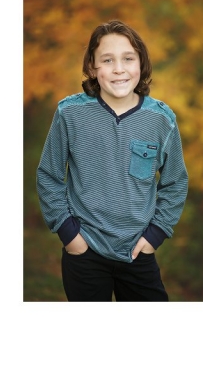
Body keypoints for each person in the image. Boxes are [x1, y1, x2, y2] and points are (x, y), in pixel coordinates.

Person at [36, 20, 189, 301]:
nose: (119, 68)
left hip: (137, 251)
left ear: (141, 64)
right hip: (85, 251)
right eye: (107, 60)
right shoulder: (69, 113)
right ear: (93, 68)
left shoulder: (161, 120)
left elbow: (175, 183)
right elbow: (49, 175)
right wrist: (70, 236)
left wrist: (154, 236)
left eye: (128, 59)